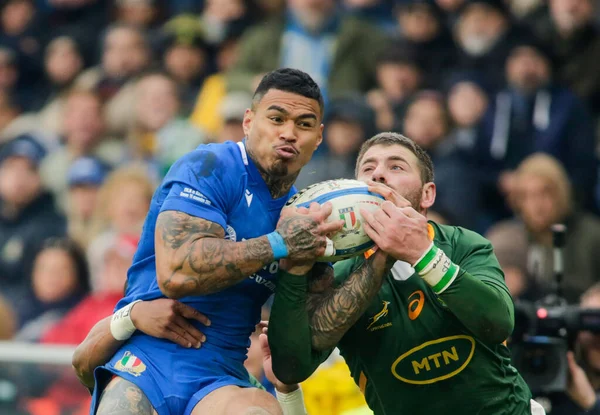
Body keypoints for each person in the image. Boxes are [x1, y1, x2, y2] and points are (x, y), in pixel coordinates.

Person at [75, 68, 342, 415]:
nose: (289, 133)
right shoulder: (210, 166)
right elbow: (177, 274)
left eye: (304, 125)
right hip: (149, 357)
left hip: (222, 376)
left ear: (318, 137)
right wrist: (278, 244)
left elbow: (296, 358)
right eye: (276, 118)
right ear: (249, 121)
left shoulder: (302, 215)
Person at [268, 132, 544, 414]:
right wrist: (294, 268)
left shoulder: (463, 244)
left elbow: (498, 324)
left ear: (428, 194)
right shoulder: (338, 273)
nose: (379, 174)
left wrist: (420, 253)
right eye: (368, 168)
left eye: (396, 166)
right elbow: (290, 370)